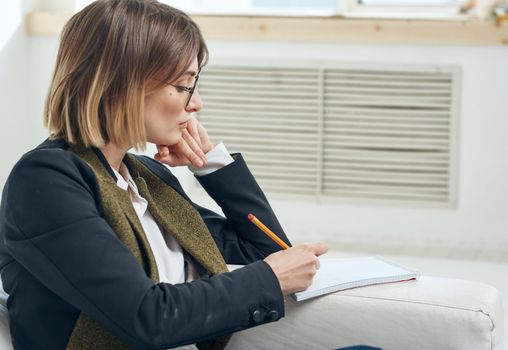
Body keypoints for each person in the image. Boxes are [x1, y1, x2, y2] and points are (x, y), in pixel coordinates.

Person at [0, 1, 329, 349]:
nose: (197, 102)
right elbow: (148, 315)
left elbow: (264, 250)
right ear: (122, 83)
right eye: (185, 85)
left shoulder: (144, 177)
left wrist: (210, 162)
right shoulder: (46, 180)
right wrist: (271, 280)